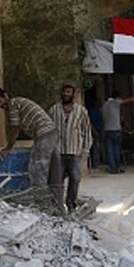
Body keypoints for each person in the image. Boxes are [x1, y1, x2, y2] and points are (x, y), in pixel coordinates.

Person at [0, 88, 61, 196]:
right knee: (54, 169)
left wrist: (8, 148)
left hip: (44, 133)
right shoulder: (19, 102)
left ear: (6, 96)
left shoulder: (12, 104)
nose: (0, 105)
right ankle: (57, 203)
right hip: (51, 132)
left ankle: (42, 202)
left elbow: (15, 129)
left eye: (0, 101)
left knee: (37, 168)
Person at [47, 84, 93, 212]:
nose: (66, 94)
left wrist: (86, 149)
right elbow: (47, 129)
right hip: (58, 151)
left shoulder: (81, 111)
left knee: (75, 179)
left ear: (74, 94)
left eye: (69, 92)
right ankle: (57, 205)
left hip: (75, 151)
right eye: (64, 92)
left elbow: (87, 130)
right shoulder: (53, 110)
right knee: (57, 180)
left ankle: (71, 203)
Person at [102, 90, 134, 174]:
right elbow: (130, 99)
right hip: (116, 129)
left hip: (107, 129)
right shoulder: (115, 102)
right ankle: (117, 167)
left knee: (110, 150)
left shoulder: (105, 104)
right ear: (117, 97)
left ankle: (112, 168)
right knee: (117, 149)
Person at [87, 97, 104, 169]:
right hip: (96, 130)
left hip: (101, 130)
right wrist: (94, 131)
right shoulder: (93, 112)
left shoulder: (100, 111)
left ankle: (100, 161)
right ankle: (95, 163)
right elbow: (90, 123)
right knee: (96, 147)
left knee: (101, 147)